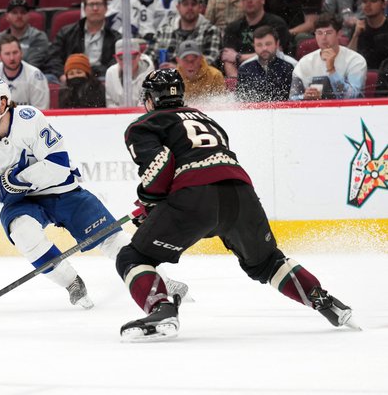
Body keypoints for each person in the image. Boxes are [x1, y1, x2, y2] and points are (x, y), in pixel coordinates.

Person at [115, 68, 355, 342]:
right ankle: (322, 299)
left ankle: (162, 310)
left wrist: (150, 201)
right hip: (241, 195)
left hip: (195, 198)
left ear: (150, 98)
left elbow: (161, 167)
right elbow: (212, 160)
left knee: (133, 257)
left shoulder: (144, 124)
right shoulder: (208, 120)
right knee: (268, 262)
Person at [0, 75, 168, 310]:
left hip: (64, 192)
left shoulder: (29, 119)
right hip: (23, 203)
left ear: (2, 102)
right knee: (23, 232)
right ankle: (71, 282)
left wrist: (18, 179)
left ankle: (157, 280)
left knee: (110, 237)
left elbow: (58, 166)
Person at [43, 0, 121, 81]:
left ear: (106, 8)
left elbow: (117, 62)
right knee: (48, 79)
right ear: (84, 9)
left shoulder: (115, 37)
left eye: (99, 4)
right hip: (70, 76)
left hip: (100, 78)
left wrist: (90, 74)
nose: (95, 8)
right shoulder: (66, 32)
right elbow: (53, 58)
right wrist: (62, 76)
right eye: (91, 4)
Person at [289, 13, 367, 100]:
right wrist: (304, 97)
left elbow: (351, 97)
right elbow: (292, 98)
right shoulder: (304, 62)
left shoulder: (356, 60)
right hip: (315, 112)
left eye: (329, 33)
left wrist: (332, 70)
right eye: (319, 33)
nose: (323, 38)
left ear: (339, 34)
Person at [221, 0, 290, 78]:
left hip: (272, 75)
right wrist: (235, 81)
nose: (249, 1)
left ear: (262, 0)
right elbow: (227, 58)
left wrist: (238, 57)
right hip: (241, 77)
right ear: (240, 3)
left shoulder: (277, 23)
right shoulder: (232, 28)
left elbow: (276, 52)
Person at [150, 0, 222, 68]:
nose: (190, 8)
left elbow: (212, 61)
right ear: (178, 7)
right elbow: (150, 57)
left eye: (193, 4)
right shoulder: (163, 31)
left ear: (200, 8)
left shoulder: (211, 31)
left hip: (197, 79)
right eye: (185, 4)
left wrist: (179, 69)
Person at [0, 34, 50, 110]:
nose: (12, 58)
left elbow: (41, 113)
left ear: (21, 53)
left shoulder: (35, 76)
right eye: (7, 54)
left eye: (15, 52)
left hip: (27, 121)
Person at [0, 0, 50, 70]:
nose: (19, 16)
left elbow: (32, 66)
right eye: (14, 12)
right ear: (7, 16)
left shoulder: (38, 37)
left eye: (23, 12)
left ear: (28, 15)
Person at [236, 26, 294, 102]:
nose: (264, 48)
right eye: (259, 45)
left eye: (268, 44)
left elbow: (294, 96)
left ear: (277, 44)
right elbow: (241, 99)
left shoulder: (289, 66)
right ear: (254, 46)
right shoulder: (245, 68)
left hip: (283, 111)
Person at [347, 0, 388, 70]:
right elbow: (348, 59)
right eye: (364, 1)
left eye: (373, 1)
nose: (368, 5)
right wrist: (356, 35)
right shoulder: (358, 27)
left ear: (384, 4)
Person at [105, 39, 155, 107]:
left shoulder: (150, 75)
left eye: (132, 56)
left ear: (139, 55)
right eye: (121, 57)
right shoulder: (110, 73)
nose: (127, 61)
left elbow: (146, 106)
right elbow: (110, 103)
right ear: (116, 58)